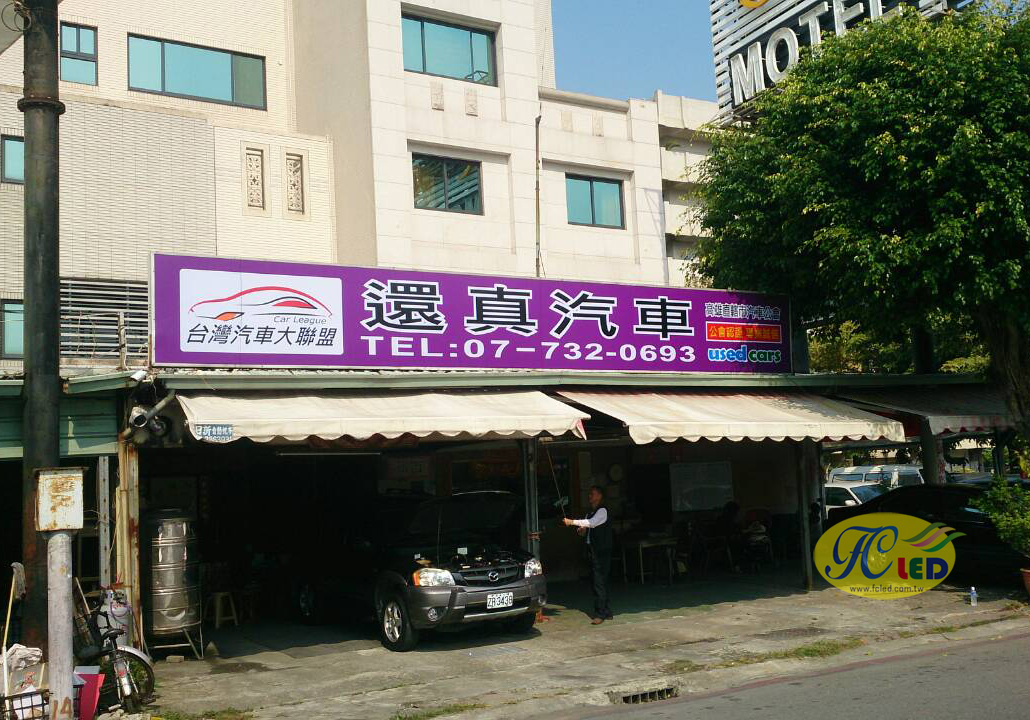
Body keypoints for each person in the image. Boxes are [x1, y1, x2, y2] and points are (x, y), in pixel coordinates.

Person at [563, 485, 613, 624]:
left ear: (600, 496)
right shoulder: (590, 513)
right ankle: (607, 611)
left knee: (599, 582)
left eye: (593, 494)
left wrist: (571, 522)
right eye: (590, 494)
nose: (590, 496)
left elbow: (592, 523)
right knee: (600, 581)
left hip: (601, 551)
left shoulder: (602, 511)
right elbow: (586, 528)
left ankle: (600, 613)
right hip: (593, 551)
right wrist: (582, 531)